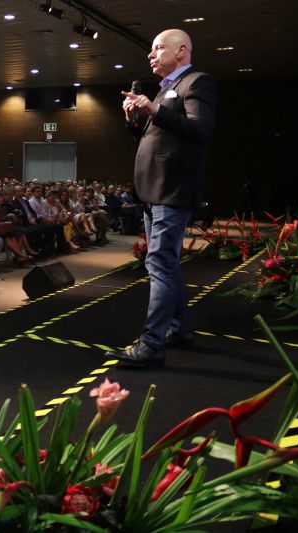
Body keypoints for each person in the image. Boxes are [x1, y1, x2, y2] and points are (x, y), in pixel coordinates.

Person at [106, 28, 218, 368]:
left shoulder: (197, 82)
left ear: (181, 50)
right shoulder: (166, 89)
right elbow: (159, 136)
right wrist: (134, 120)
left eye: (157, 49)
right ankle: (179, 328)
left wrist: (155, 110)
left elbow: (200, 130)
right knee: (164, 264)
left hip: (172, 190)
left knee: (158, 264)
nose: (151, 55)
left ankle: (152, 345)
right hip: (154, 191)